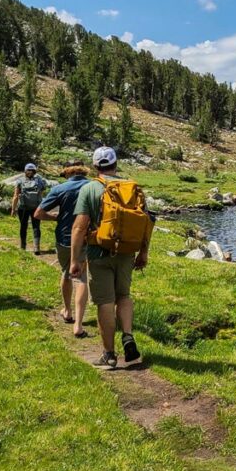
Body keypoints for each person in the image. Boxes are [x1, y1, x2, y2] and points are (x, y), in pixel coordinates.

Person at [70, 147, 151, 369]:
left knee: (105, 302)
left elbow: (79, 227)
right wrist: (143, 252)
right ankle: (127, 335)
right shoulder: (131, 188)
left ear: (95, 167)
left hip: (99, 253)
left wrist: (74, 260)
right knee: (123, 295)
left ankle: (109, 354)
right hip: (126, 252)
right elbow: (146, 222)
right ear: (116, 164)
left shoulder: (89, 188)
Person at [35, 161, 90, 338]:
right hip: (87, 238)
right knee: (82, 278)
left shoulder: (60, 189)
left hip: (64, 238)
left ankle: (67, 311)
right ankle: (79, 324)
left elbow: (38, 214)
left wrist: (55, 218)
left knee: (66, 271)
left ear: (67, 174)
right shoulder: (94, 186)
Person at [10, 163, 46, 254]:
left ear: (25, 170)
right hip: (36, 207)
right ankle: (36, 247)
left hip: (23, 208)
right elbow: (41, 195)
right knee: (36, 227)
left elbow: (15, 196)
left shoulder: (20, 181)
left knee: (23, 226)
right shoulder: (39, 181)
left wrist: (13, 209)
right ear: (35, 171)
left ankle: (23, 247)